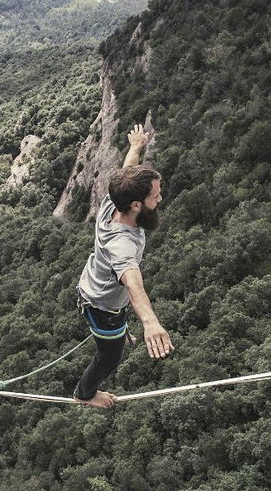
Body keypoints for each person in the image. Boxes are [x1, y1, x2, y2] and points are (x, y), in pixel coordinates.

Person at [73, 124, 174, 409]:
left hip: (93, 284)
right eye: (155, 196)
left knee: (116, 332)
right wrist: (150, 323)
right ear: (136, 205)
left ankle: (119, 329)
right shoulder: (122, 245)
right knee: (110, 357)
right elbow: (132, 283)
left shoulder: (113, 202)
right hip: (102, 307)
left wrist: (135, 147)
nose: (160, 199)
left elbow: (126, 174)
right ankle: (84, 393)